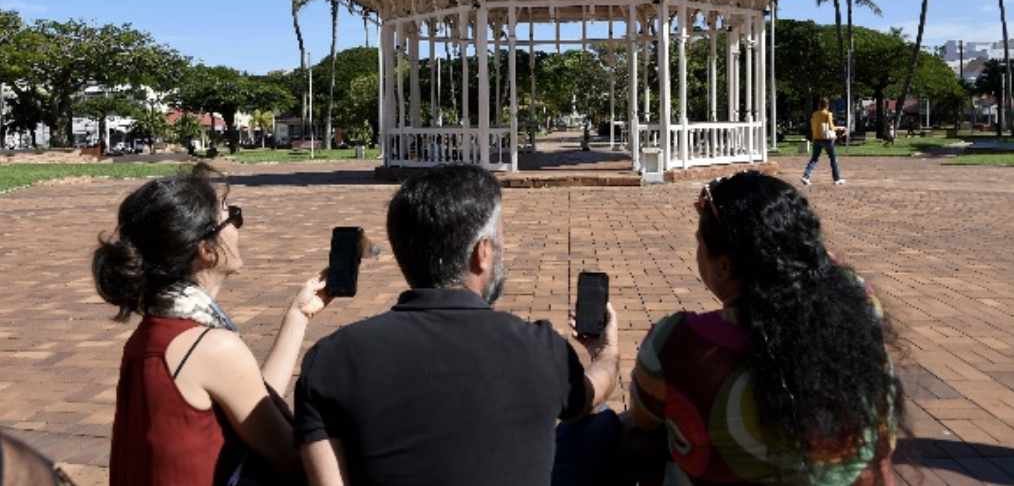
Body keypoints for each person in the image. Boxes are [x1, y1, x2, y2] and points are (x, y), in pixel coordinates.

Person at [295, 163, 620, 486]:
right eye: (498, 244)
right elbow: (587, 397)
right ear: (482, 253)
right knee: (601, 423)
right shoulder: (539, 348)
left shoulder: (330, 360)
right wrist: (606, 352)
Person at [628, 172, 904, 485]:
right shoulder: (858, 311)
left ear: (723, 266)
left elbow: (642, 419)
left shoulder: (674, 345)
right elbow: (820, 264)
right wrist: (784, 236)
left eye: (699, 244)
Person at [92, 163, 330, 486]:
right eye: (232, 217)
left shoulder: (152, 334)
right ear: (206, 250)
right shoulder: (210, 347)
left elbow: (252, 401)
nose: (238, 228)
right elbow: (290, 455)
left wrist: (298, 316)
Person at [802, 97, 845, 186]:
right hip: (826, 139)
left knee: (814, 159)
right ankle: (836, 179)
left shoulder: (815, 114)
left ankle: (806, 176)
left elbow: (812, 126)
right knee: (833, 159)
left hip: (816, 138)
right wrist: (840, 128)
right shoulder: (828, 114)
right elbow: (831, 127)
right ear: (827, 105)